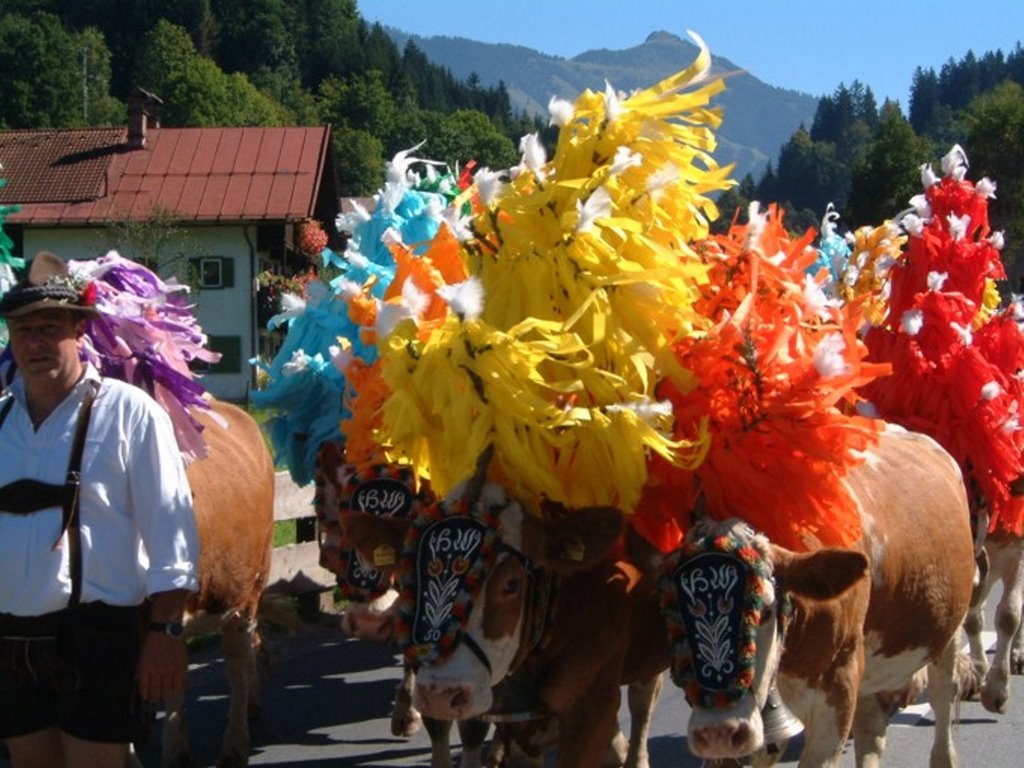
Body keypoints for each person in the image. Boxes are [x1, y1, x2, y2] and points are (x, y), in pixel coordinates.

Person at [0, 251, 200, 767]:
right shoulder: (1, 421)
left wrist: (166, 632)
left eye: (49, 329)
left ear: (79, 333)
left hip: (98, 636)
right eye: (23, 332)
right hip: (11, 637)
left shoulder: (130, 413)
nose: (35, 343)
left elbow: (171, 532)